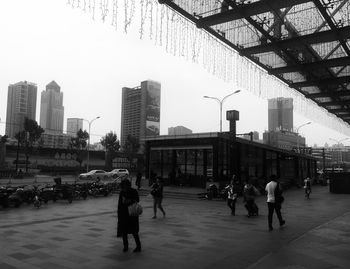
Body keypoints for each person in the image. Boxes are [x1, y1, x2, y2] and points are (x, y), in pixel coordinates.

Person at [117, 179, 141, 252]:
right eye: (123, 186)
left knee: (134, 231)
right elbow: (120, 204)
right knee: (124, 231)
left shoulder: (133, 191)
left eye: (125, 185)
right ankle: (126, 246)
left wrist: (129, 200)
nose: (124, 187)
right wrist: (119, 214)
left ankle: (138, 246)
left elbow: (137, 199)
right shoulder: (122, 192)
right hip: (124, 214)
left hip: (132, 213)